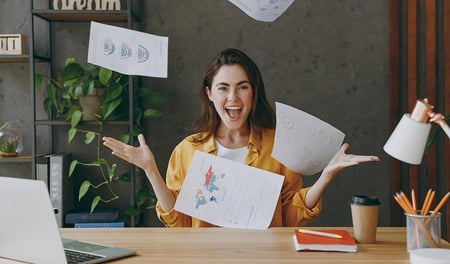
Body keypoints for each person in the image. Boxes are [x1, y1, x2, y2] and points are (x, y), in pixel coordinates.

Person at [102, 48, 379, 227]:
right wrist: (151, 170)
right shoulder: (188, 150)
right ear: (209, 94)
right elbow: (178, 221)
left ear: (253, 92)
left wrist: (325, 177)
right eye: (223, 88)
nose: (233, 98)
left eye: (242, 87)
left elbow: (291, 217)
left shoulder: (278, 146)